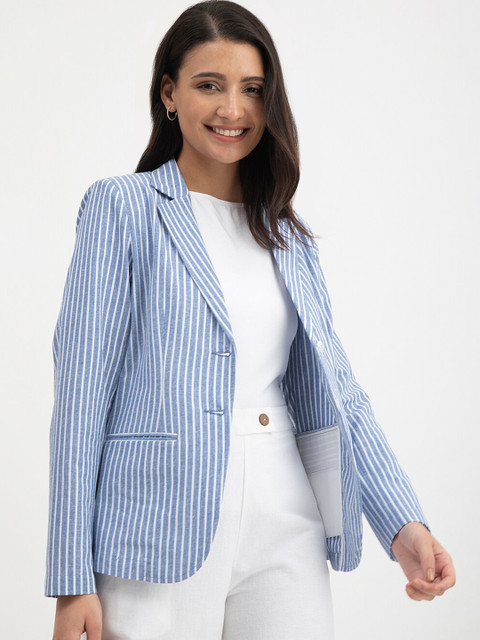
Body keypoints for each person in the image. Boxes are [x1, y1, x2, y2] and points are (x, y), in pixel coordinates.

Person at [45, 1, 456, 638]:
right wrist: (72, 578)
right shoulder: (122, 208)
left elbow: (339, 391)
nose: (233, 109)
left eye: (253, 90)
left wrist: (403, 524)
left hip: (286, 512)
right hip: (158, 521)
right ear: (169, 94)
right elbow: (81, 396)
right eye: (209, 85)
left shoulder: (288, 235)